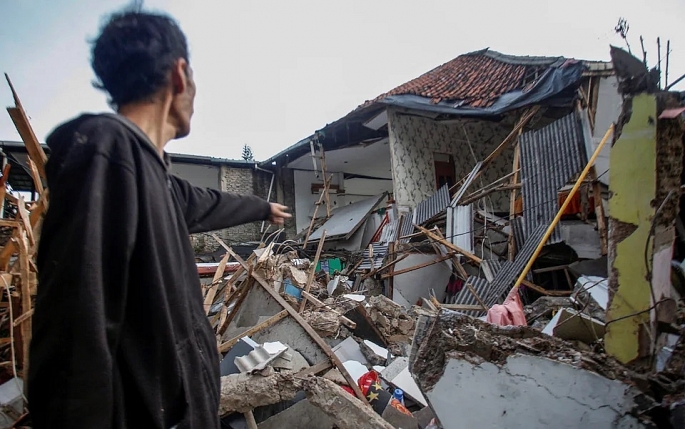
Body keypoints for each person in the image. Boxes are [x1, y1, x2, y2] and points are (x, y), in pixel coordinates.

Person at [27, 9, 290, 428]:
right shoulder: (106, 153)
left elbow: (210, 202)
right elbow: (72, 339)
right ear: (179, 75)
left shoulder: (155, 179)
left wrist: (263, 208)